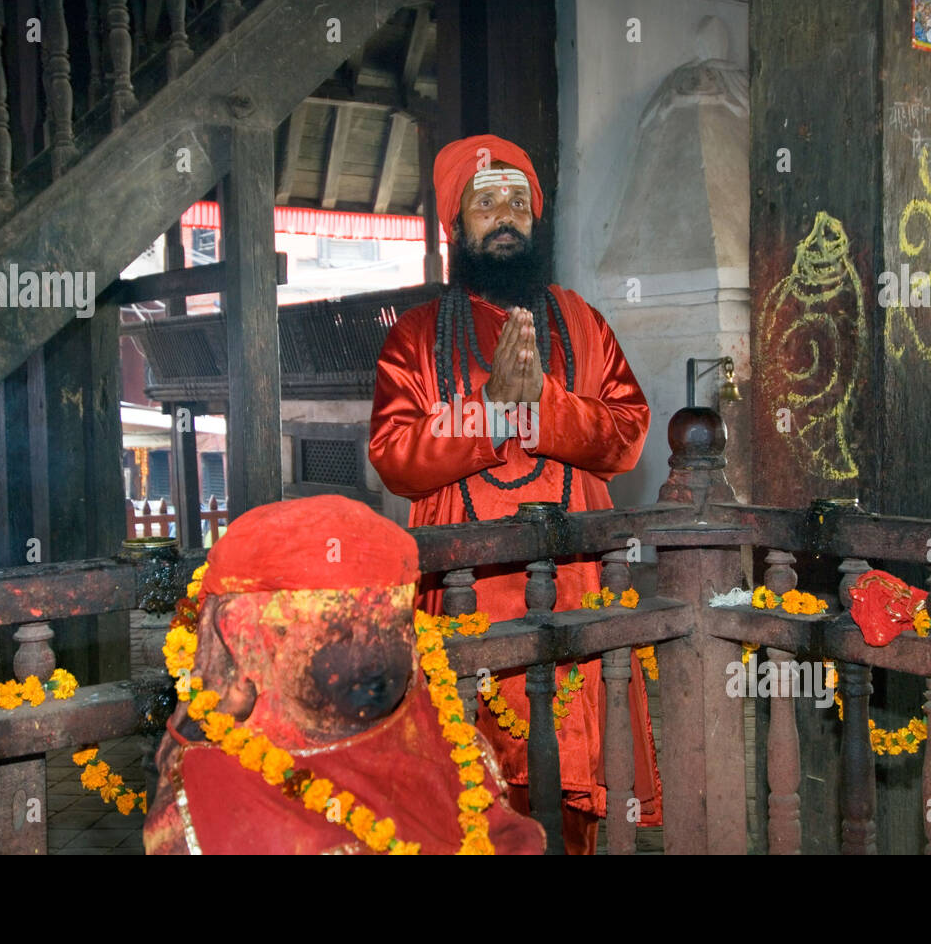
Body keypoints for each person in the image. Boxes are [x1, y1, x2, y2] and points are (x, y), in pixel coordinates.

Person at [368, 134, 661, 854]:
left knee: (576, 797)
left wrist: (544, 408)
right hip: (464, 606)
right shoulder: (415, 337)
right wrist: (491, 411)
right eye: (485, 201)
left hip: (575, 595)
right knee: (467, 807)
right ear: (456, 225)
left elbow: (628, 434)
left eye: (518, 201)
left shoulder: (583, 322)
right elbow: (394, 457)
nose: (505, 215)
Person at [144, 494, 545, 855]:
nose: (376, 655)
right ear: (246, 636)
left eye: (393, 625)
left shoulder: (444, 740)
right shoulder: (210, 796)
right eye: (341, 630)